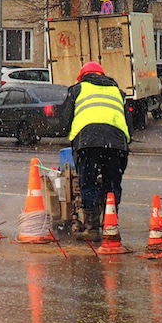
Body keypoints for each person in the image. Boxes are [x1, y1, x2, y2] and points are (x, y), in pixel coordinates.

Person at [54, 60, 131, 235]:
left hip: (88, 142)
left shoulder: (77, 90)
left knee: (88, 182)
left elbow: (65, 121)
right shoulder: (118, 92)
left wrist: (69, 135)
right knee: (112, 184)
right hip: (117, 143)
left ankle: (92, 228)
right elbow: (129, 124)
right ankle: (111, 224)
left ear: (82, 78)